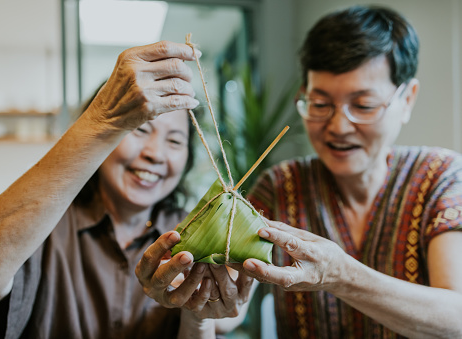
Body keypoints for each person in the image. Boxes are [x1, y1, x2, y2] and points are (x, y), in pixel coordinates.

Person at [137, 5, 462, 338]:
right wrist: (194, 293)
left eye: (363, 105)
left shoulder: (440, 176)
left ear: (407, 98)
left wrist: (341, 275)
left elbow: (457, 318)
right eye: (320, 104)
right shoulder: (280, 186)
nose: (338, 126)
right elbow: (232, 310)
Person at [0, 41, 248, 338]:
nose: (155, 154)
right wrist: (101, 119)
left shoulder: (194, 235)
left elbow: (229, 317)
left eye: (174, 142)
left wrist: (200, 316)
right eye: (141, 130)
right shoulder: (44, 225)